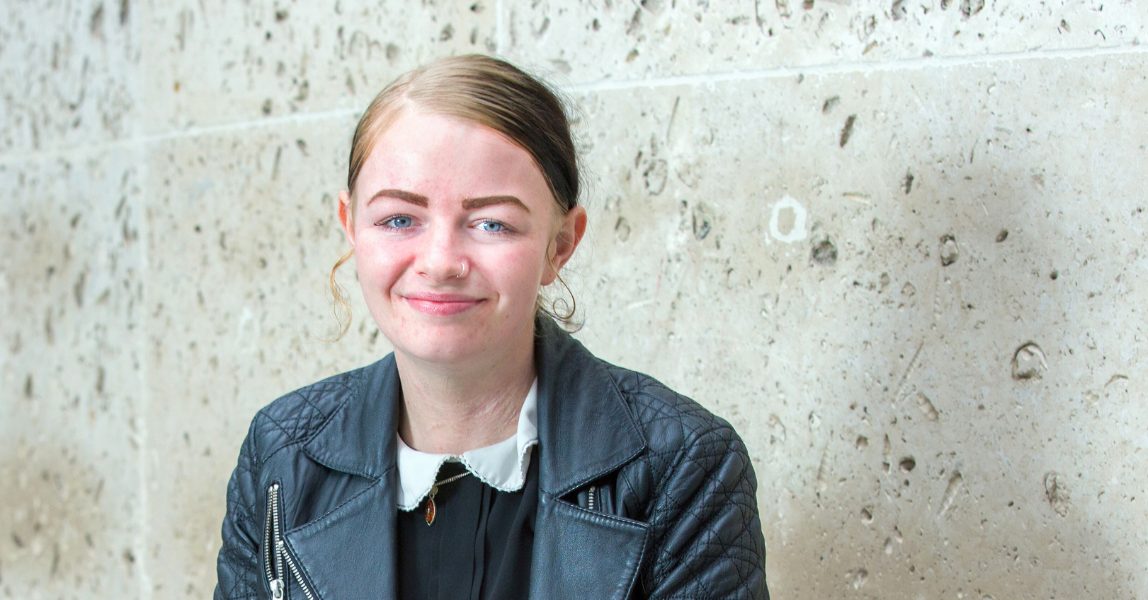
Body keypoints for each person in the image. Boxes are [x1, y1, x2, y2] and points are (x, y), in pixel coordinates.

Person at [213, 54, 768, 600]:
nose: (440, 261)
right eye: (399, 219)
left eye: (492, 223)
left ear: (560, 245)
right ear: (351, 226)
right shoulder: (280, 455)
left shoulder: (683, 465)